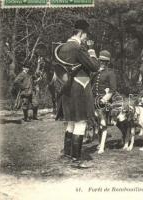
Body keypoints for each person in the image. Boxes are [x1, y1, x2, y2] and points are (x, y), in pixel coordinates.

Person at [54, 19, 99, 168]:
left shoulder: (62, 47)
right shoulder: (79, 48)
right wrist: (92, 52)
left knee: (71, 122)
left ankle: (67, 154)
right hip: (80, 87)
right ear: (81, 33)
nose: (86, 38)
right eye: (86, 35)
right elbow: (94, 67)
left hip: (66, 88)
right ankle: (76, 160)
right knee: (81, 122)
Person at [92, 50, 117, 130]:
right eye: (101, 61)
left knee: (102, 121)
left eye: (105, 61)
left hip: (104, 100)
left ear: (108, 62)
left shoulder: (110, 72)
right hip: (93, 99)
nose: (102, 62)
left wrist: (104, 99)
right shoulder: (95, 72)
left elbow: (113, 88)